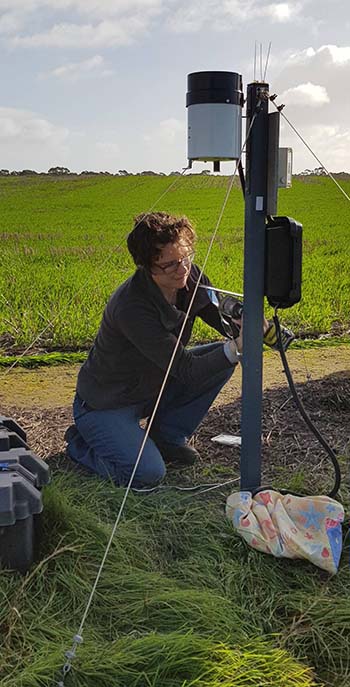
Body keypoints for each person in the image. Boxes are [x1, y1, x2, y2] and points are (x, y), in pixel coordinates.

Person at [65, 211, 243, 488]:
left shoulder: (189, 277)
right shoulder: (132, 306)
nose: (182, 269)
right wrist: (236, 348)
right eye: (170, 265)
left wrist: (245, 326)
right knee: (147, 475)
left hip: (154, 384)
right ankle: (80, 444)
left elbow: (217, 316)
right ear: (146, 265)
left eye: (186, 257)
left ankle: (167, 437)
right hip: (107, 403)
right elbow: (185, 368)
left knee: (220, 360)